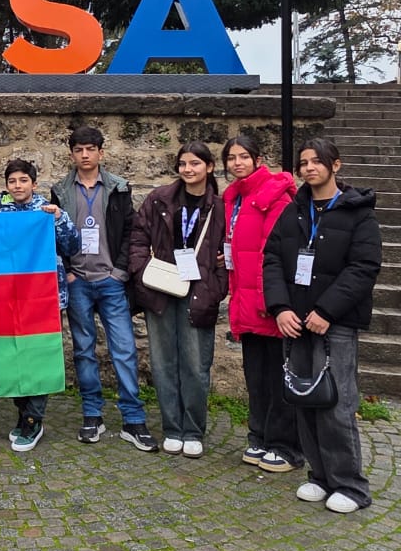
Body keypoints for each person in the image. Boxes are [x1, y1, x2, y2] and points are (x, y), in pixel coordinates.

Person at [263, 138, 381, 513]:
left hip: (336, 323)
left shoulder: (358, 213)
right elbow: (272, 259)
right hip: (296, 322)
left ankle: (350, 485)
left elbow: (363, 267)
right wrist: (280, 308)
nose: (309, 168)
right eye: (304, 162)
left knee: (336, 403)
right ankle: (319, 476)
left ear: (336, 165)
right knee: (304, 399)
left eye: (317, 161)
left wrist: (327, 310)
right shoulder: (293, 211)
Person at [52, 126, 159, 453]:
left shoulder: (119, 188)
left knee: (124, 350)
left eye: (90, 149)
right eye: (79, 149)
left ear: (101, 152)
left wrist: (119, 272)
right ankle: (92, 415)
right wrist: (68, 271)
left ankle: (133, 419)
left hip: (111, 281)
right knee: (84, 350)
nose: (85, 155)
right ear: (72, 154)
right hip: (79, 283)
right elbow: (53, 235)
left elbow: (130, 231)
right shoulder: (60, 190)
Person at [129, 140, 227, 458]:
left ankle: (193, 430)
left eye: (195, 163)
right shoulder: (159, 198)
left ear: (209, 167)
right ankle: (172, 427)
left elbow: (229, 249)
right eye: (183, 163)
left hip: (199, 292)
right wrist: (142, 271)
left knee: (196, 364)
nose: (188, 169)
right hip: (161, 288)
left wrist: (218, 283)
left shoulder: (220, 206)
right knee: (163, 362)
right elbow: (138, 236)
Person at [221, 134, 300, 472]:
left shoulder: (274, 195)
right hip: (245, 297)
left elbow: (275, 250)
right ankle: (260, 436)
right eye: (231, 158)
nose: (237, 163)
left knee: (278, 376)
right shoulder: (235, 197)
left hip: (268, 301)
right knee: (255, 375)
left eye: (243, 156)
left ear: (257, 159)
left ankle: (285, 445)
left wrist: (272, 299)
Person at [0, 158, 81, 453]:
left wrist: (58, 218)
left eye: (23, 180)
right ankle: (23, 414)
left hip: (45, 297)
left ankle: (34, 419)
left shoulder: (47, 212)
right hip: (11, 298)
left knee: (38, 357)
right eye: (12, 181)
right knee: (15, 358)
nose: (17, 186)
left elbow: (73, 246)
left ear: (34, 183)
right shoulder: (1, 215)